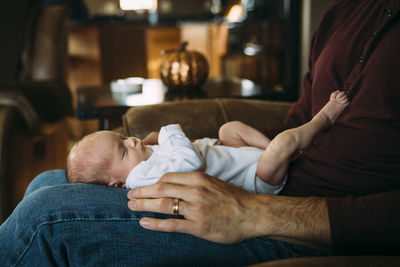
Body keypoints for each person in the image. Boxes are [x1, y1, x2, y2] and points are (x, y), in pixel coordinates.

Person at [0, 1, 399, 266]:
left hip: (302, 217)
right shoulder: (344, 13)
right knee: (45, 182)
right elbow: (299, 115)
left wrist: (253, 210)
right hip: (277, 170)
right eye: (124, 150)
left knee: (43, 219)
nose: (134, 142)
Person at [66, 91, 349, 195]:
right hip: (254, 178)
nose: (130, 140)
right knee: (281, 145)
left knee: (230, 128)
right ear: (116, 183)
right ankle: (324, 119)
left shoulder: (142, 162)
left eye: (122, 138)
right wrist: (168, 132)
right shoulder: (140, 178)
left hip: (232, 154)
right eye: (122, 149)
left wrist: (210, 141)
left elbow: (200, 148)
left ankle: (281, 150)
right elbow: (191, 161)